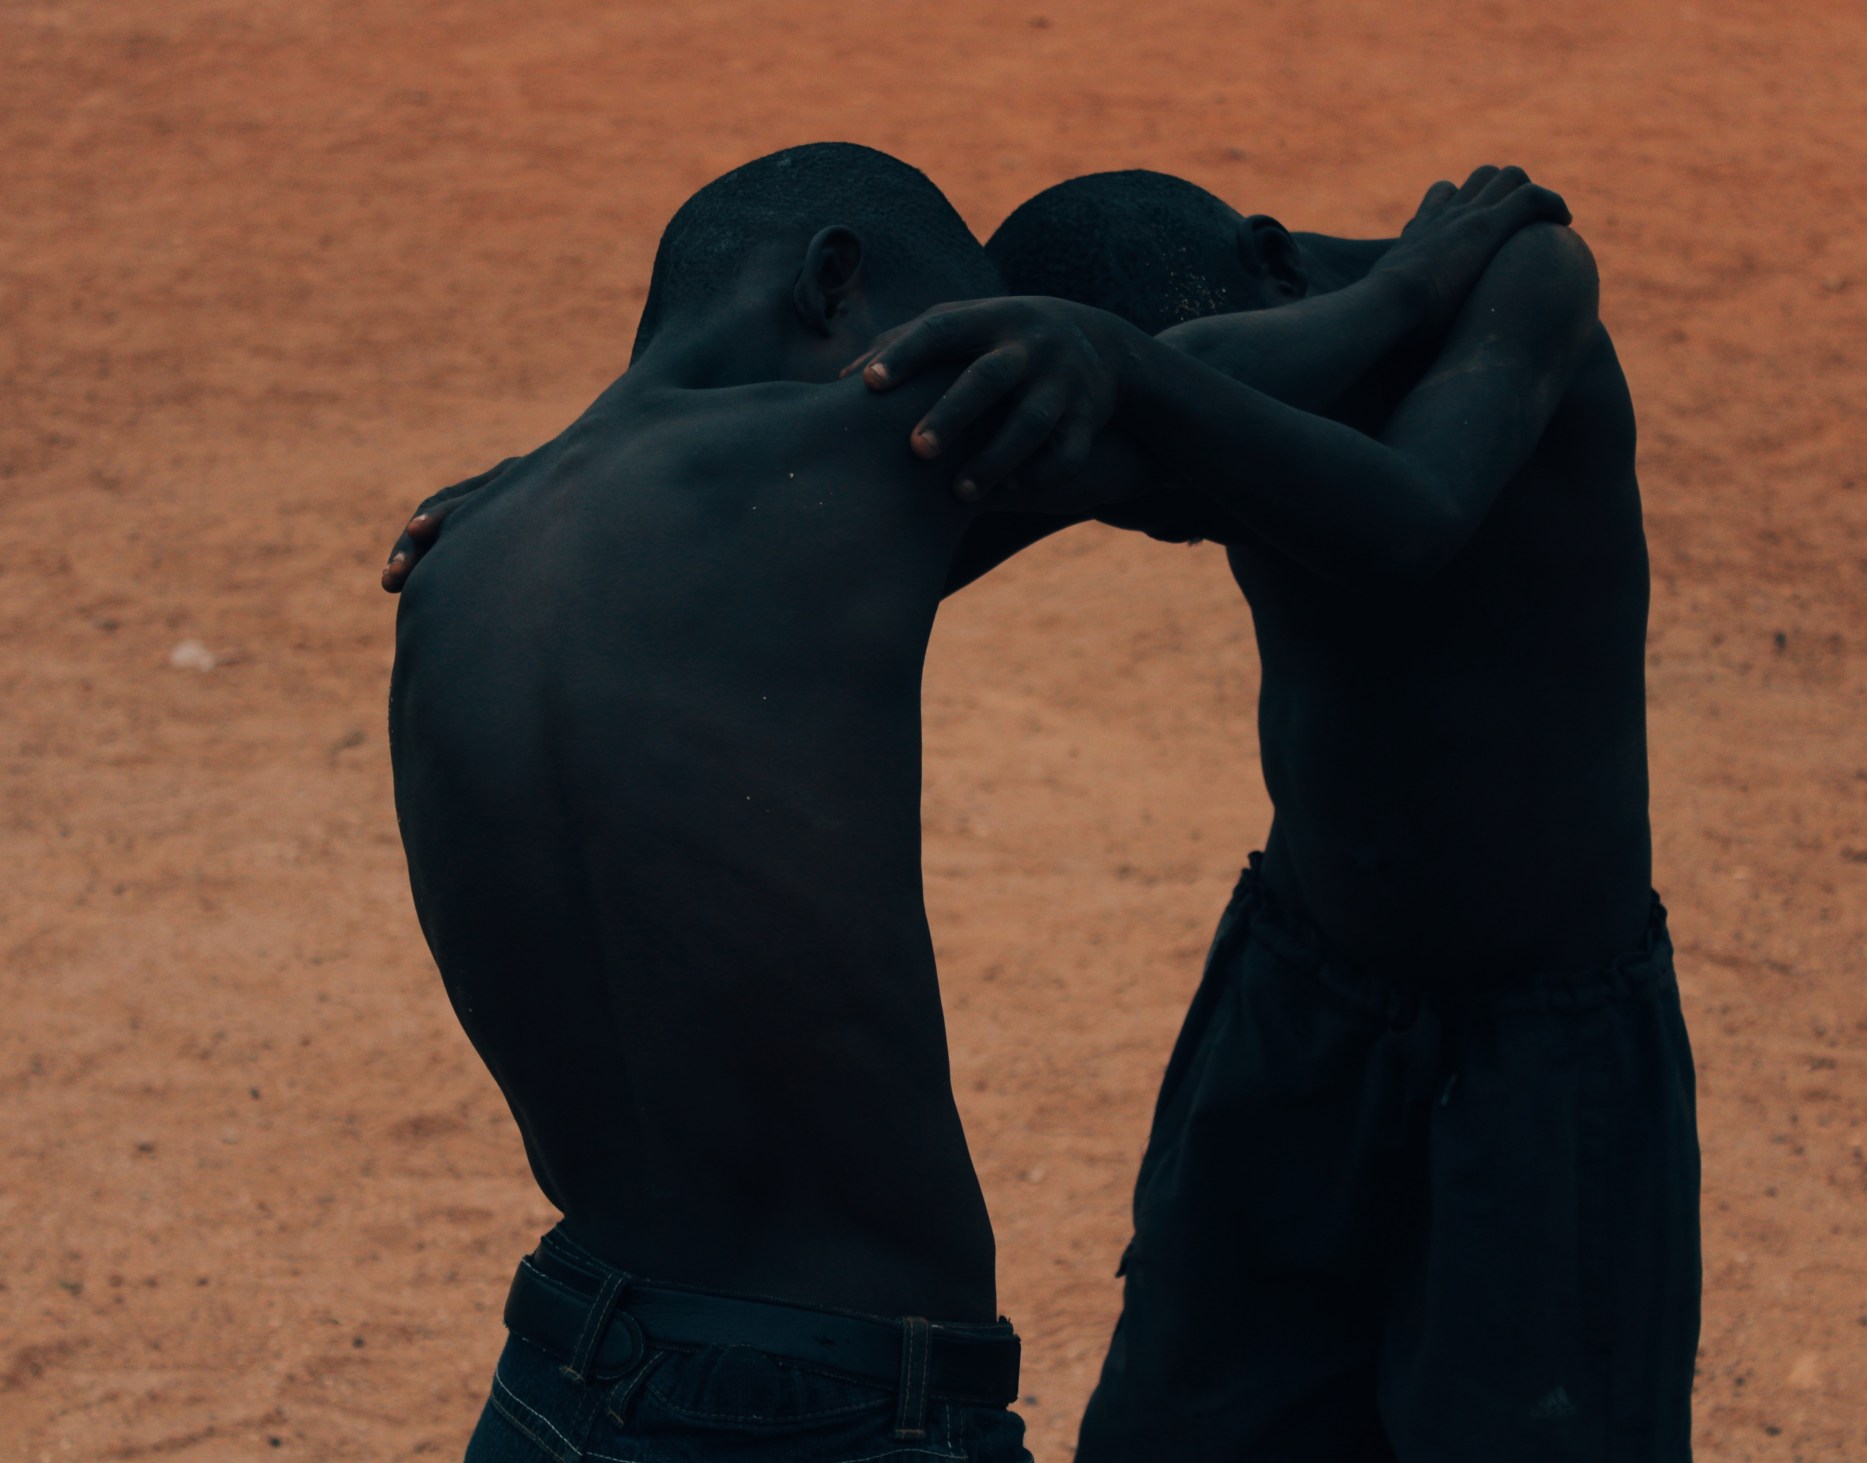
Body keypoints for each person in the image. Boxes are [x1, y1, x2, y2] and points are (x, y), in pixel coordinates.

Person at [384, 145, 1565, 1462]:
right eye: (954, 347)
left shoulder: (461, 548)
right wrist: (1407, 290)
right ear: (838, 281)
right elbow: (1208, 417)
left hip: (558, 1366)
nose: (989, 401)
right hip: (826, 1407)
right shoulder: (843, 457)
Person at [857, 168, 1700, 1462]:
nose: (1174, 511)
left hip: (1539, 1065)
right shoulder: (1225, 383)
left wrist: (1183, 365)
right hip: (1299, 1015)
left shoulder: (1520, 284)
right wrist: (566, 499)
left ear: (1273, 270)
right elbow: (859, 531)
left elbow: (1407, 517)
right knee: (1183, 1425)